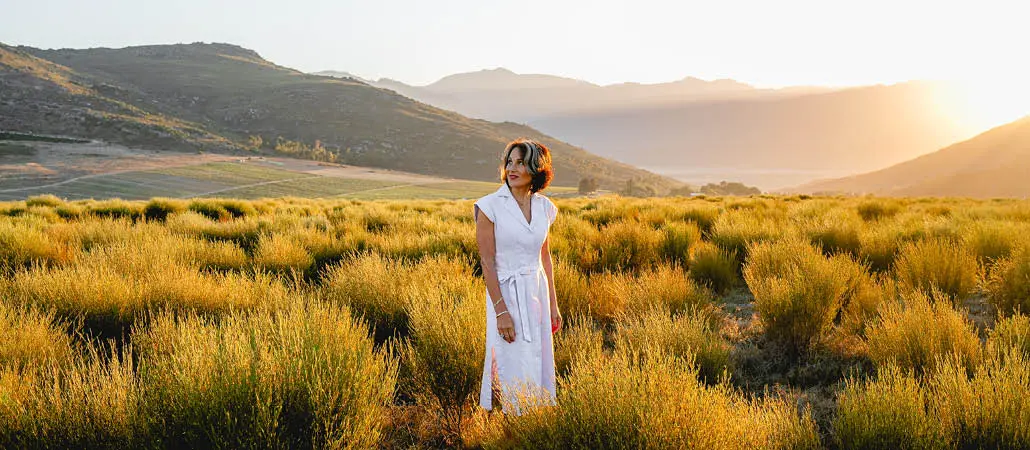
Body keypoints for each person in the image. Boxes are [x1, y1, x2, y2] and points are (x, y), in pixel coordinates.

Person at [474, 138, 562, 413]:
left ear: (536, 169)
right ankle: (509, 430)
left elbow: (544, 257)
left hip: (537, 291)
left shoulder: (545, 207)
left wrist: (554, 306)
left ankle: (531, 426)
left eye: (520, 162)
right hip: (506, 294)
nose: (512, 168)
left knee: (536, 360)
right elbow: (487, 262)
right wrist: (501, 312)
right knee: (511, 362)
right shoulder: (489, 207)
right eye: (509, 162)